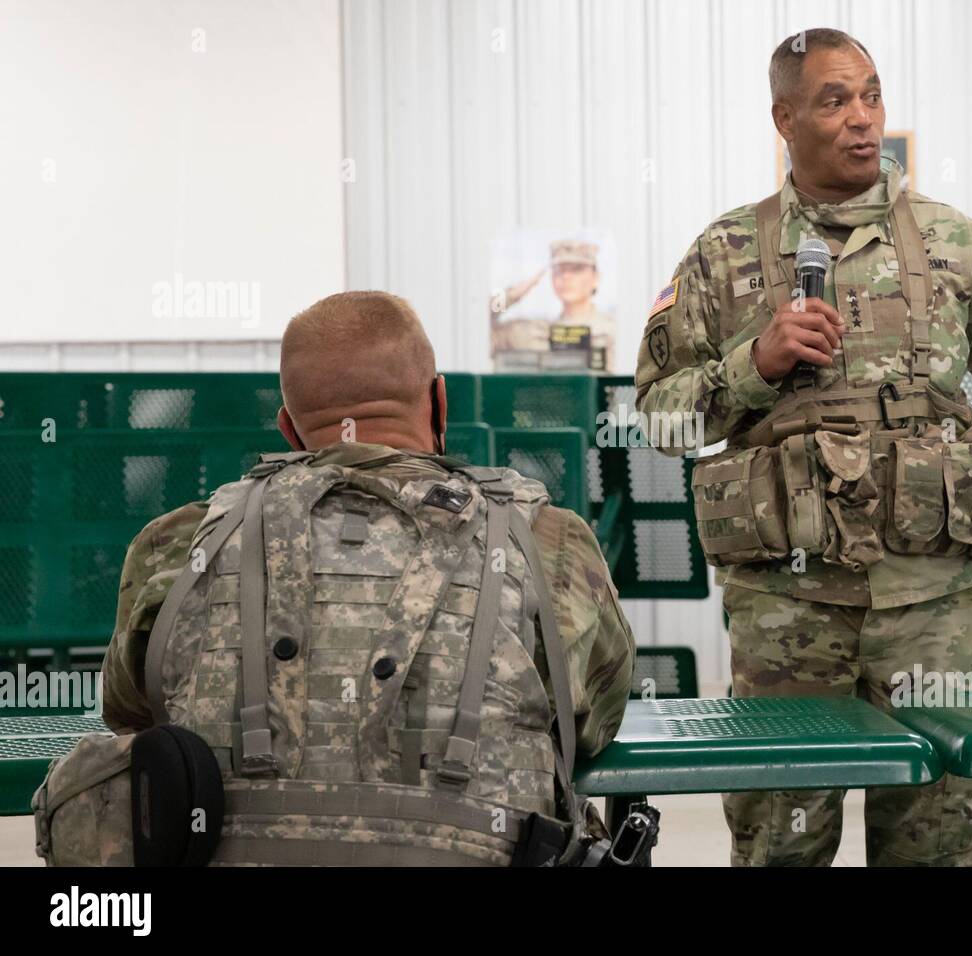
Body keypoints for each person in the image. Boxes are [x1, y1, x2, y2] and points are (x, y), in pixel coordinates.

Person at [634, 28, 972, 867]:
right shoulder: (725, 254)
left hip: (931, 608)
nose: (862, 119)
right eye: (833, 100)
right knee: (779, 846)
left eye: (871, 95)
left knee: (931, 844)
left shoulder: (954, 242)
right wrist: (754, 364)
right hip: (788, 611)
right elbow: (661, 417)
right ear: (784, 119)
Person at [99, 290, 635, 865]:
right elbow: (590, 723)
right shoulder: (545, 539)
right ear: (440, 402)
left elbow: (133, 714)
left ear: (289, 428)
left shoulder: (177, 543)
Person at [491, 239, 616, 369]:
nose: (566, 276)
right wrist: (513, 294)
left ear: (596, 277)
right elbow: (480, 325)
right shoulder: (534, 332)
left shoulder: (614, 329)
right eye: (560, 270)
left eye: (577, 269)